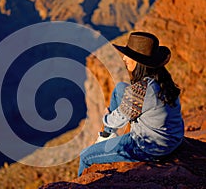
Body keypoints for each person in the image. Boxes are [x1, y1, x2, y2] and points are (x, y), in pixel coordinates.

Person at [78, 31, 184, 176]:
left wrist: (106, 117)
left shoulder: (141, 91)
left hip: (149, 147)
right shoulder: (163, 80)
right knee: (120, 88)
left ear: (139, 63)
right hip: (173, 139)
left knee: (85, 156)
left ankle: (105, 138)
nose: (124, 58)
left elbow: (118, 119)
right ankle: (107, 135)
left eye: (128, 56)